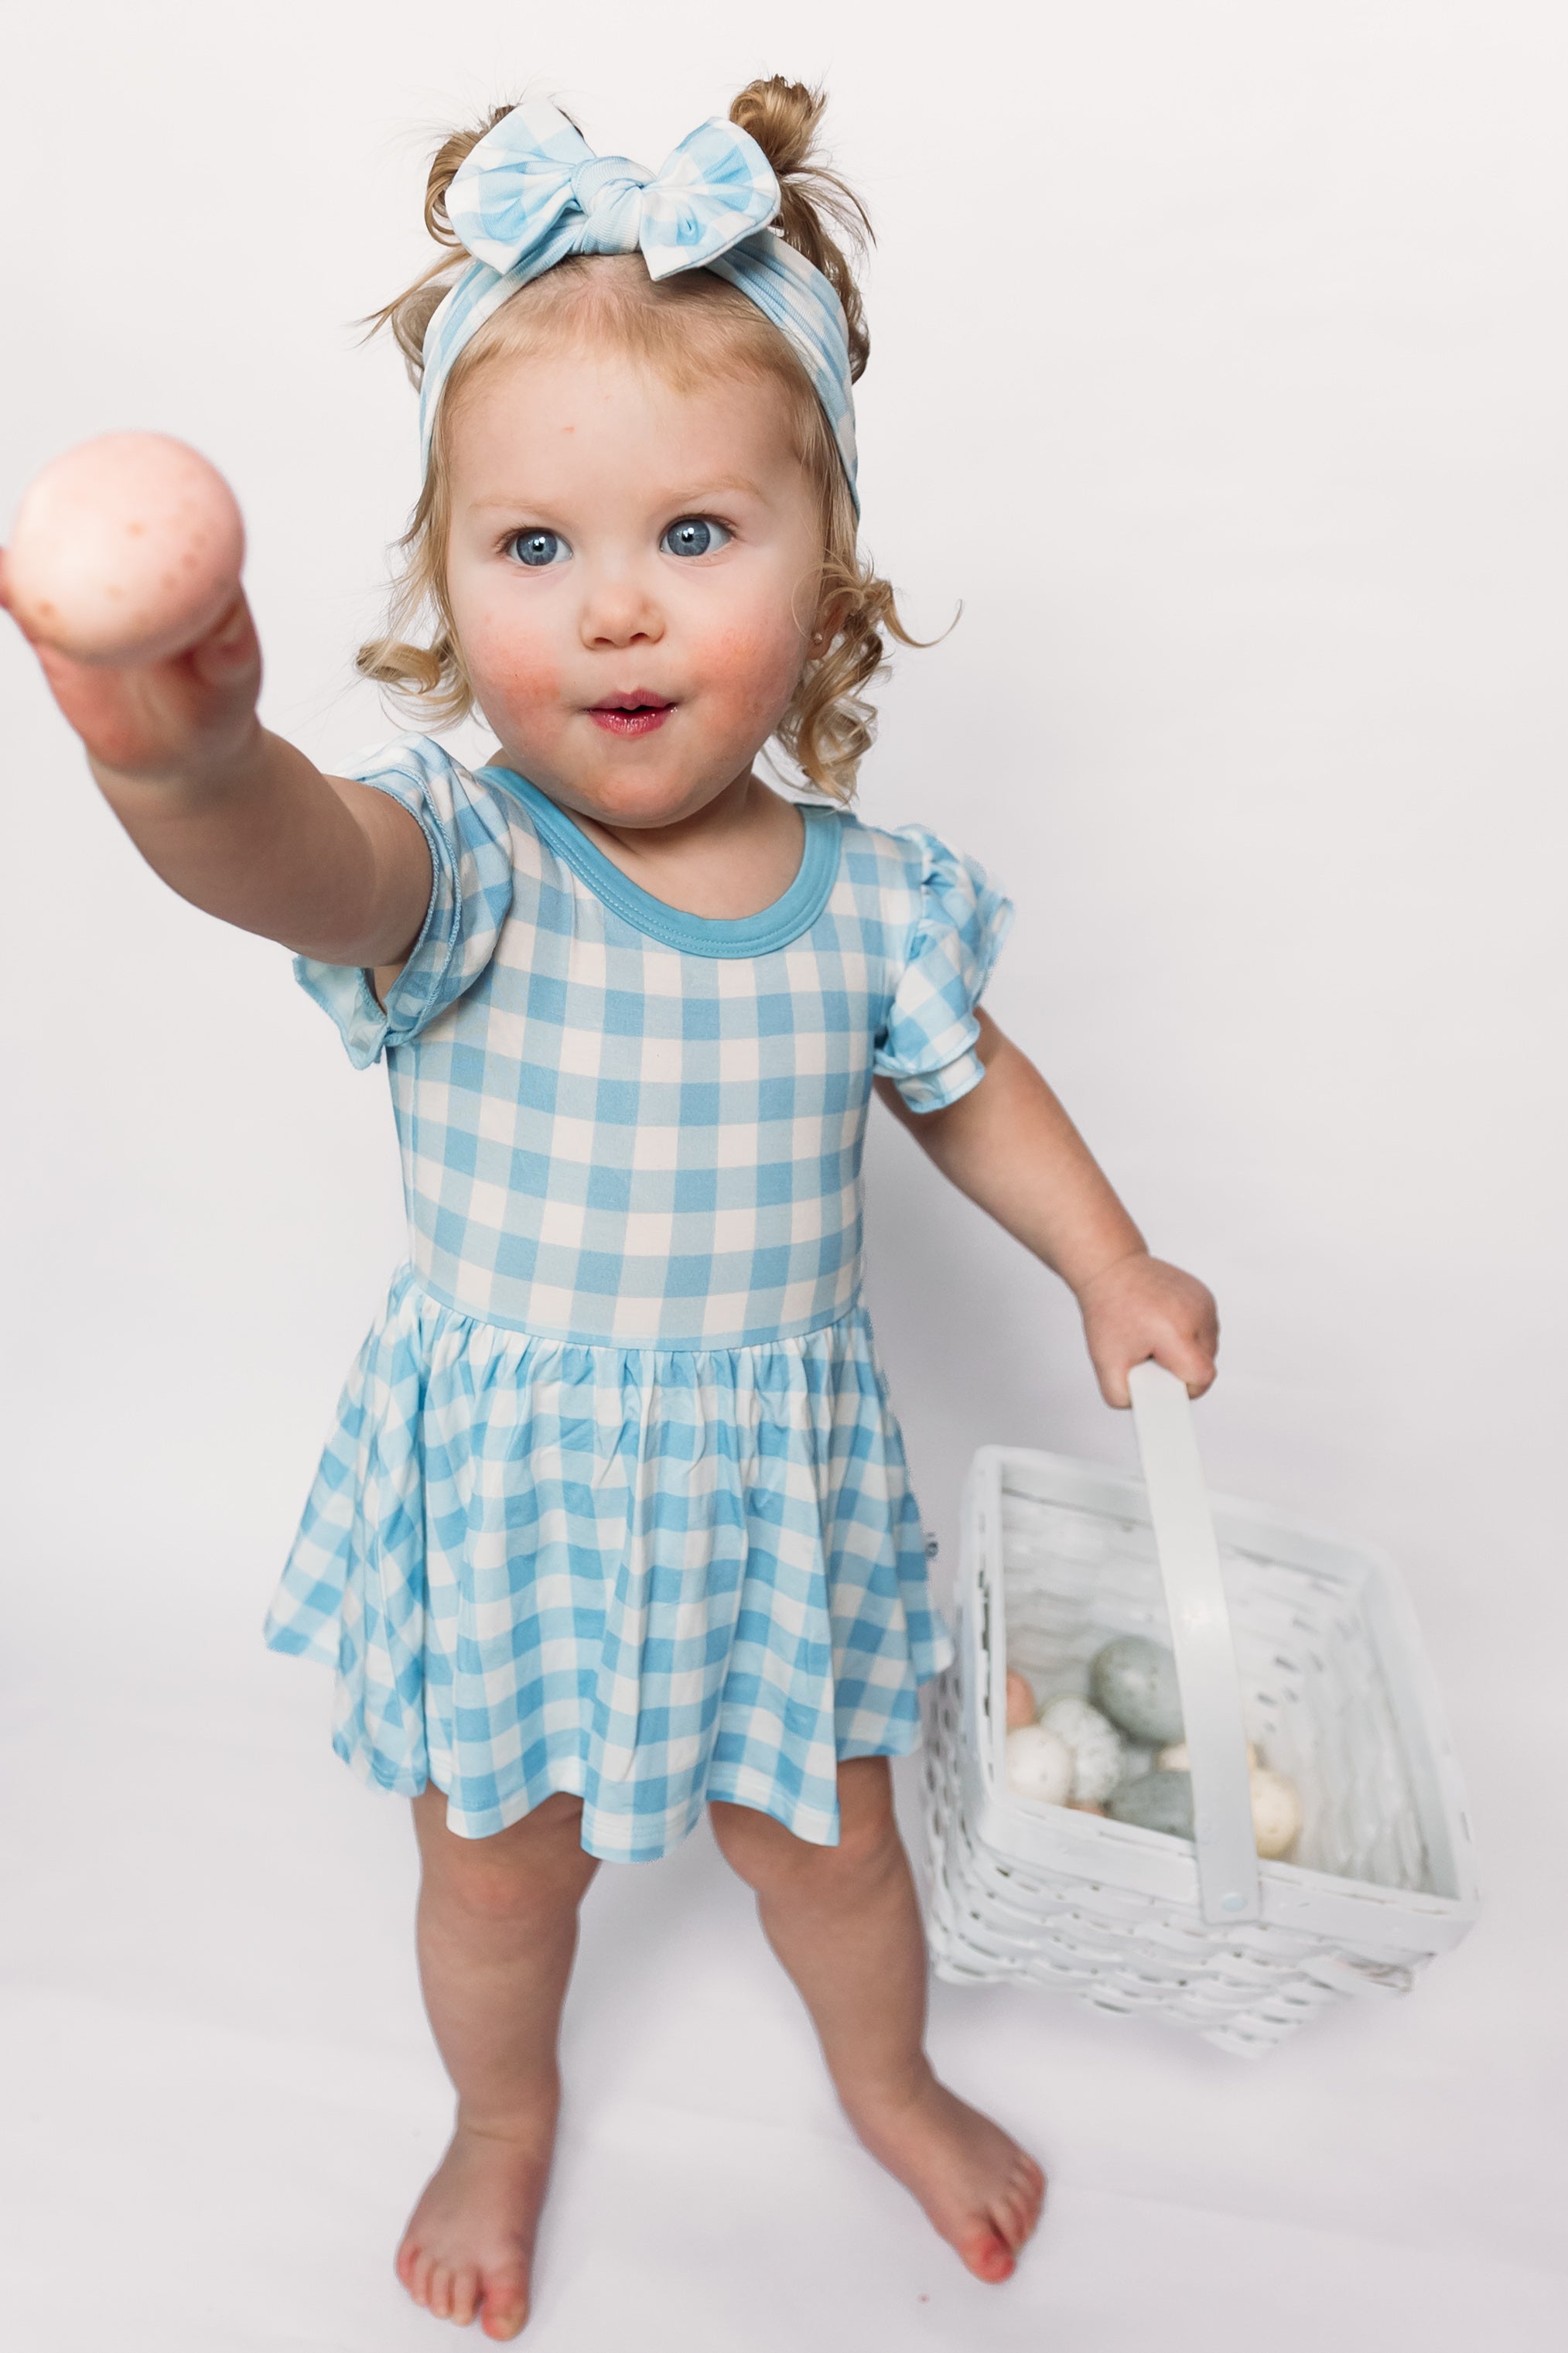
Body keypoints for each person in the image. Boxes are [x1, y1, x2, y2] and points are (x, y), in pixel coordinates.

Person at [3, 77, 1218, 2342]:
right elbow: (298, 864)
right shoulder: (457, 865)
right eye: (531, 549)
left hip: (767, 1486)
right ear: (448, 585)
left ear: (822, 564)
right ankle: (498, 2115)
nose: (613, 608)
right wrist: (189, 765)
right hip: (527, 1490)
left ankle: (886, 2070)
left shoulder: (867, 903)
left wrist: (1108, 1255)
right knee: (496, 1870)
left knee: (835, 1850)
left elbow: (974, 1092)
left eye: (692, 534)